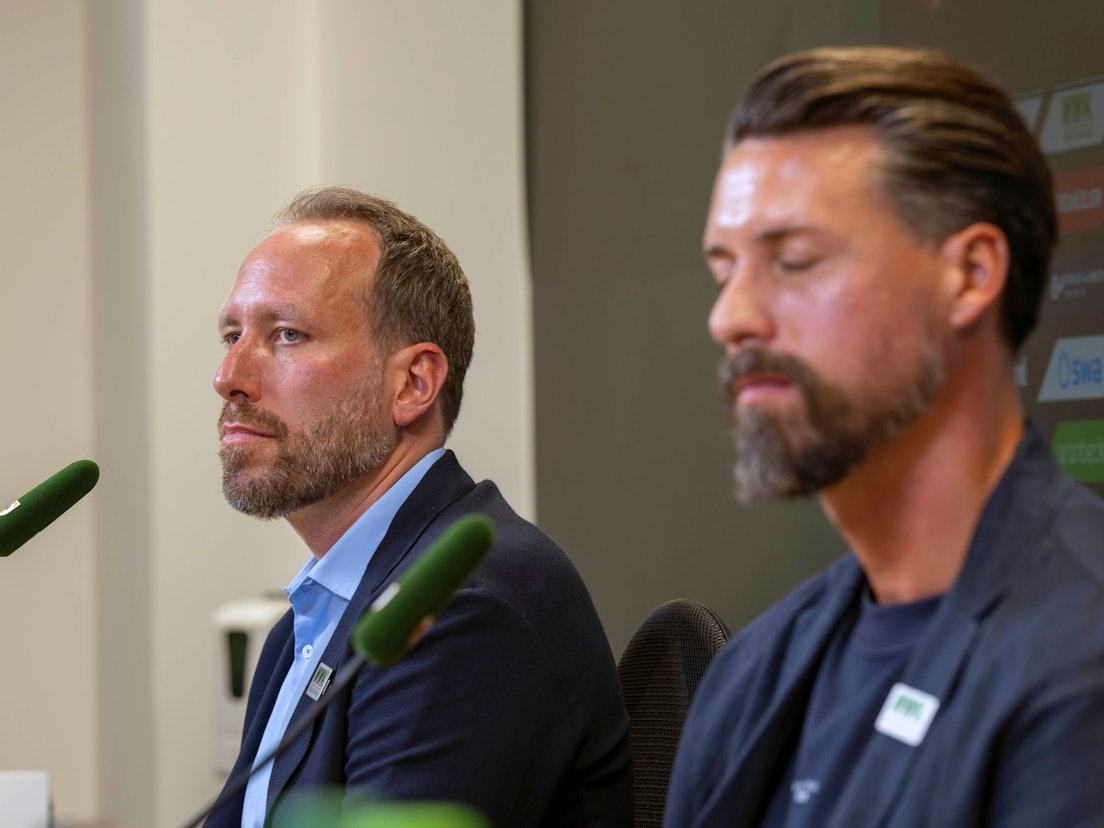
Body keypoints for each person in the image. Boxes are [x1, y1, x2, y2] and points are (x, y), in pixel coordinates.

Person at [664, 46, 1104, 828]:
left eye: (794, 261)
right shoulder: (748, 676)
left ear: (969, 274)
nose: (729, 317)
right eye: (723, 270)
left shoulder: (1079, 651)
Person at [204, 187, 632, 828]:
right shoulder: (300, 629)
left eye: (287, 335)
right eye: (231, 334)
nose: (229, 375)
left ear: (412, 384)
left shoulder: (466, 605)